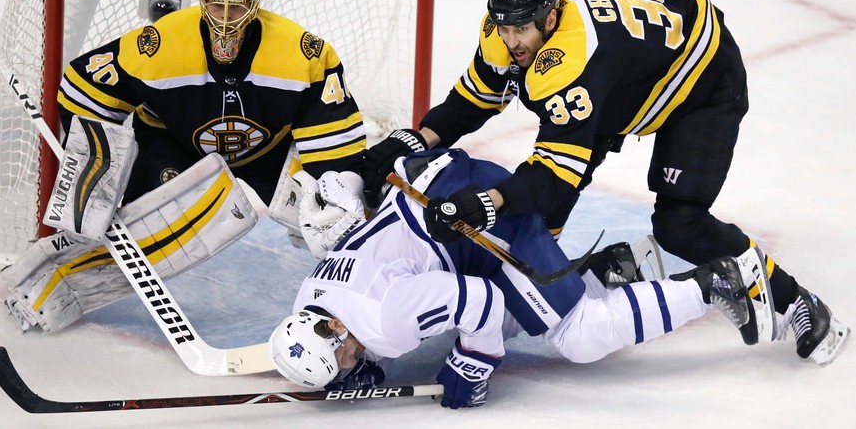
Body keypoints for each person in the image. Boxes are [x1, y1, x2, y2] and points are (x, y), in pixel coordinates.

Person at [360, 0, 849, 364]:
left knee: (680, 222)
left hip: (702, 75)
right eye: (505, 28)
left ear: (550, 18)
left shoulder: (573, 63)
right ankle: (614, 269)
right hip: (639, 45)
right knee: (535, 224)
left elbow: (551, 178)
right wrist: (412, 137)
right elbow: (470, 101)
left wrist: (489, 201)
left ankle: (795, 302)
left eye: (521, 29)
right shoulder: (510, 29)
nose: (512, 42)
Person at [269, 149, 836, 410]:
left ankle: (720, 282)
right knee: (529, 315)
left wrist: (472, 365)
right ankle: (609, 271)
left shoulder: (384, 320)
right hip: (436, 192)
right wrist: (373, 361)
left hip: (470, 216)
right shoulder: (313, 298)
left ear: (339, 334)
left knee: (579, 335)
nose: (351, 365)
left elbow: (481, 303)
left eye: (344, 359)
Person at [0, 0, 367, 333]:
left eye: (236, 6)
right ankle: (50, 285)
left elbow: (334, 133)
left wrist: (336, 192)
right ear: (203, 0)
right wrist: (98, 165)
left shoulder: (302, 51)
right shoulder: (160, 44)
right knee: (158, 229)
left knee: (338, 215)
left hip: (268, 150)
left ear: (254, 4)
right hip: (172, 144)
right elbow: (82, 87)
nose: (225, 18)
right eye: (217, 6)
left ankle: (354, 315)